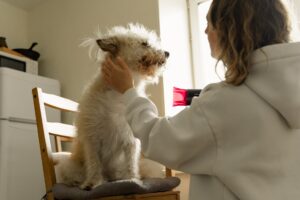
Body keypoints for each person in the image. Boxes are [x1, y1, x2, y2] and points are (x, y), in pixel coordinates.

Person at [101, 0, 300, 199]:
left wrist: (129, 92)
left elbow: (161, 140)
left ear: (229, 28)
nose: (205, 31)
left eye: (209, 23)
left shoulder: (225, 103)